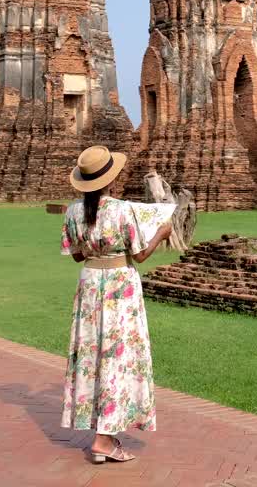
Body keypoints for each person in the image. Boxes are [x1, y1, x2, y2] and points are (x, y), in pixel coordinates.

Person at [60, 145, 175, 464]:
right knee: (118, 355)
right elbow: (139, 255)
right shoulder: (123, 210)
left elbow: (77, 254)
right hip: (120, 287)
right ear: (112, 178)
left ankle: (101, 430)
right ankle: (104, 439)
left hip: (90, 286)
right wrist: (162, 233)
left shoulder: (72, 212)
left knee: (92, 355)